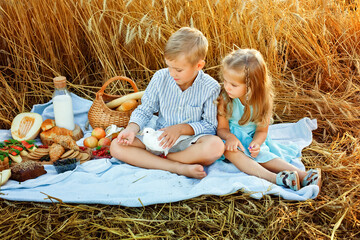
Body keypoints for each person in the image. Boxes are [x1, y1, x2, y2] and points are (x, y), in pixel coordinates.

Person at [110, 27, 224, 179]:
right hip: (159, 138)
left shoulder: (211, 87)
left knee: (216, 146)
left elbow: (210, 126)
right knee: (116, 146)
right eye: (169, 67)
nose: (172, 73)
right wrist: (131, 128)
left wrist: (181, 129)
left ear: (199, 65)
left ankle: (162, 161)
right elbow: (146, 109)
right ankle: (177, 167)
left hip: (190, 143)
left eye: (178, 69)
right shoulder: (160, 77)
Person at [216, 48, 321, 191]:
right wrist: (230, 138)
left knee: (262, 154)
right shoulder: (225, 98)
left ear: (252, 86)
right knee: (229, 151)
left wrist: (257, 143)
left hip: (251, 138)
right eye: (225, 81)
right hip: (232, 139)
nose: (227, 87)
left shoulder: (262, 102)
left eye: (233, 85)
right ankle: (276, 179)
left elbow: (261, 131)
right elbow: (221, 129)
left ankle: (304, 175)